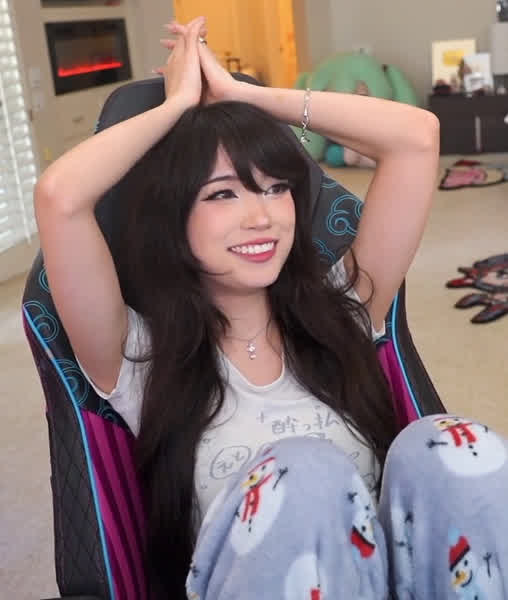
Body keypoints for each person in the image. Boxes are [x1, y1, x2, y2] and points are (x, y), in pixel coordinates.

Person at [34, 16, 508, 600]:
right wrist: (176, 106)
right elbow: (59, 197)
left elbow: (417, 136)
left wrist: (247, 97)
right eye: (222, 194)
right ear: (173, 218)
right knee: (304, 473)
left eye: (276, 187)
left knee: (450, 446)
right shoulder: (137, 356)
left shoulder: (345, 307)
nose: (261, 216)